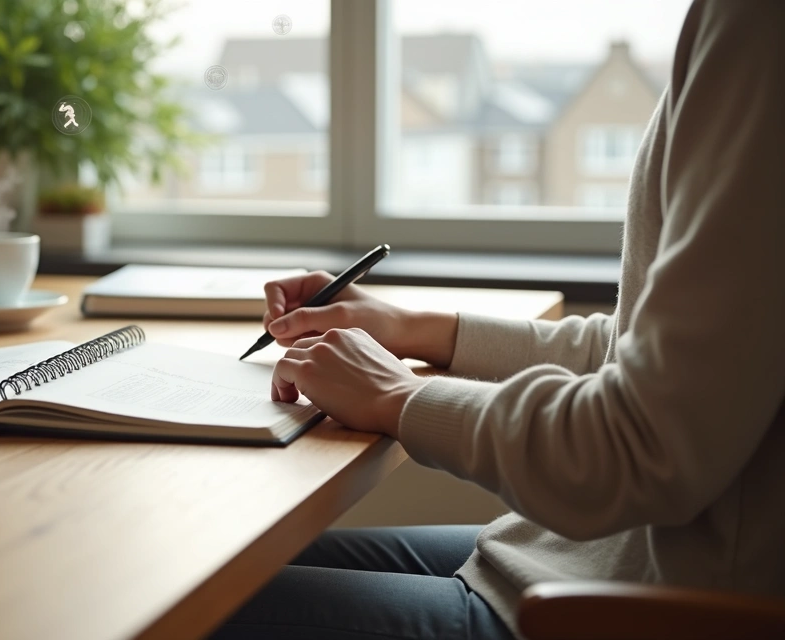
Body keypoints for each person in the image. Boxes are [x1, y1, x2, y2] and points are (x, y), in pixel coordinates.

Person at [212, 1, 784, 638]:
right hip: (591, 558)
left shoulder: (760, 30)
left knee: (200, 612)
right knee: (225, 572)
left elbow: (644, 446)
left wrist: (396, 394)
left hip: (647, 603)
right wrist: (412, 328)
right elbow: (637, 355)